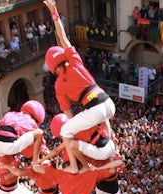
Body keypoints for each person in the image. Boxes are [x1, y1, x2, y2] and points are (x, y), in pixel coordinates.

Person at [43, 0, 116, 173]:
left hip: (96, 108)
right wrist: (54, 13)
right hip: (108, 103)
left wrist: (76, 129)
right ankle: (111, 148)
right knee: (91, 125)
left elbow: (67, 113)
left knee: (66, 131)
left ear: (52, 67)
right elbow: (63, 38)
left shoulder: (59, 84)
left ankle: (77, 167)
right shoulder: (75, 61)